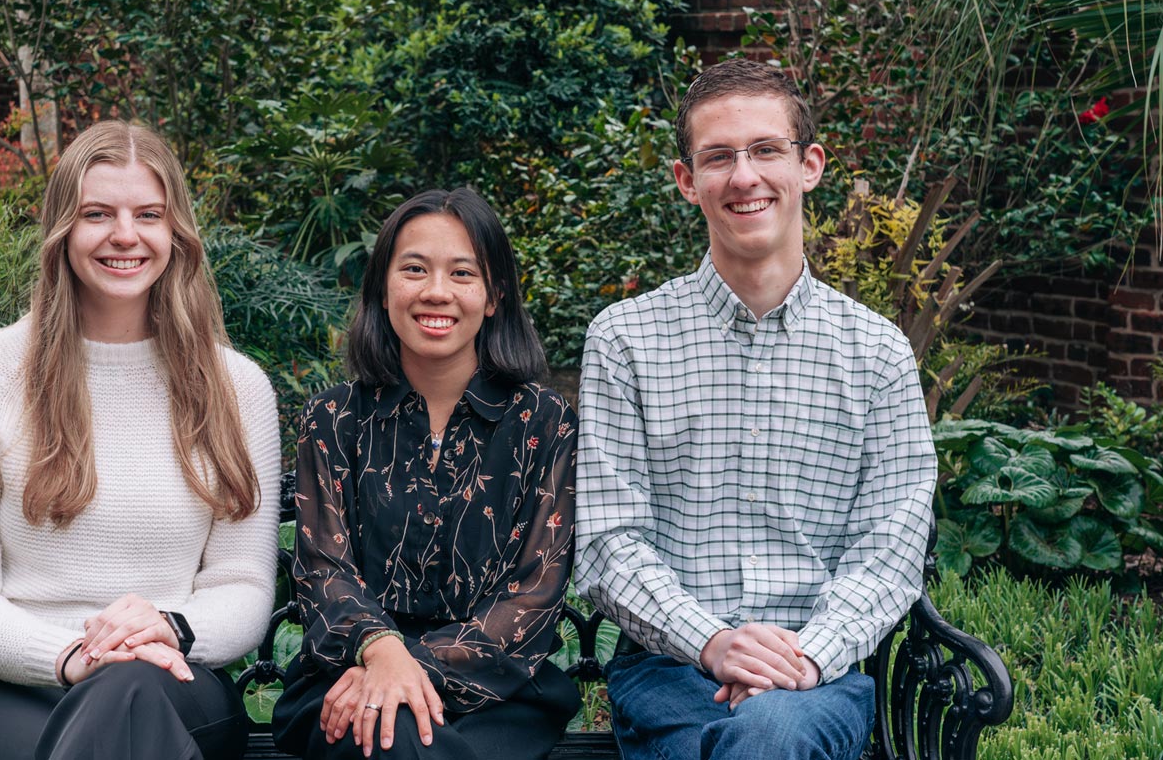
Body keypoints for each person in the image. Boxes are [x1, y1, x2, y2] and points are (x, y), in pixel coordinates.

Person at [574, 59, 937, 760]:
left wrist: (801, 659)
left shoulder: (878, 354)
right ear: (688, 181)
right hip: (670, 669)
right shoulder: (625, 340)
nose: (744, 176)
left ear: (809, 165)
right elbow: (608, 542)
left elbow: (890, 548)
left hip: (816, 677)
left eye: (765, 149)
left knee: (771, 731)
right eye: (718, 156)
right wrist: (713, 642)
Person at [0, 121, 282, 760]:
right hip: (4, 682)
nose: (125, 235)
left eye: (148, 214)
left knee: (128, 697)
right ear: (63, 229)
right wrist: (70, 657)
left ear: (177, 234)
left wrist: (169, 627)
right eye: (97, 213)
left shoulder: (237, 387)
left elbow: (243, 584)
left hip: (171, 676)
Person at [271, 188, 581, 760]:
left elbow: (533, 591)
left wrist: (405, 668)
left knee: (403, 737)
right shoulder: (334, 419)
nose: (436, 292)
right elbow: (321, 569)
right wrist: (380, 649)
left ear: (494, 297)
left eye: (463, 273)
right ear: (383, 289)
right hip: (343, 677)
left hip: (499, 693)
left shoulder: (544, 423)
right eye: (414, 269)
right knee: (395, 738)